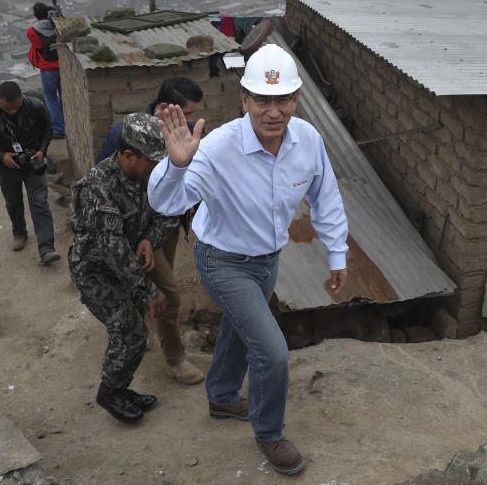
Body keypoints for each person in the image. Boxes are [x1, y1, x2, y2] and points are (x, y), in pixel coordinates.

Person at [148, 44, 350, 476]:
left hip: (268, 258)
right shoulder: (218, 148)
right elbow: (167, 203)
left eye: (283, 100)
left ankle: (221, 395)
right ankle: (269, 431)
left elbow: (326, 199)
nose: (273, 111)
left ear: (296, 99)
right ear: (244, 100)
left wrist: (338, 254)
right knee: (272, 349)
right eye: (262, 99)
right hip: (222, 260)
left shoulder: (308, 141)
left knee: (243, 329)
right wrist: (177, 165)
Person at [68, 113, 179, 424]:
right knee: (129, 328)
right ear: (128, 155)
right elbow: (113, 251)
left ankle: (120, 388)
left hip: (127, 262)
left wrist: (148, 238)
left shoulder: (148, 176)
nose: (158, 169)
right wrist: (149, 292)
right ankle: (109, 392)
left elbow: (168, 213)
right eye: (152, 163)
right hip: (96, 270)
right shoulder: (96, 188)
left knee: (134, 331)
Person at [95, 76, 205, 385]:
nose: (192, 121)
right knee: (167, 292)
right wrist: (129, 234)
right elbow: (104, 185)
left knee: (154, 280)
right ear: (163, 109)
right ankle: (175, 359)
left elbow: (188, 184)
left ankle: (141, 327)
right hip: (134, 231)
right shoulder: (124, 134)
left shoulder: (187, 135)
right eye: (187, 113)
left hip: (165, 227)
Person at [0, 80, 60, 264]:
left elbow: (47, 129)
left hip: (33, 162)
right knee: (13, 202)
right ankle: (19, 233)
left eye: (16, 107)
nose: (13, 111)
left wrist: (42, 150)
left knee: (40, 203)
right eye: (8, 108)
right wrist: (1, 156)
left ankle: (46, 248)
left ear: (21, 98)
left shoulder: (34, 106)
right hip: (7, 166)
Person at [26, 2, 65, 139]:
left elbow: (37, 45)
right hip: (63, 66)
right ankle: (68, 124)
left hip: (47, 69)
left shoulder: (32, 31)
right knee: (64, 97)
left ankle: (59, 130)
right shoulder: (57, 25)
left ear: (36, 15)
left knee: (51, 99)